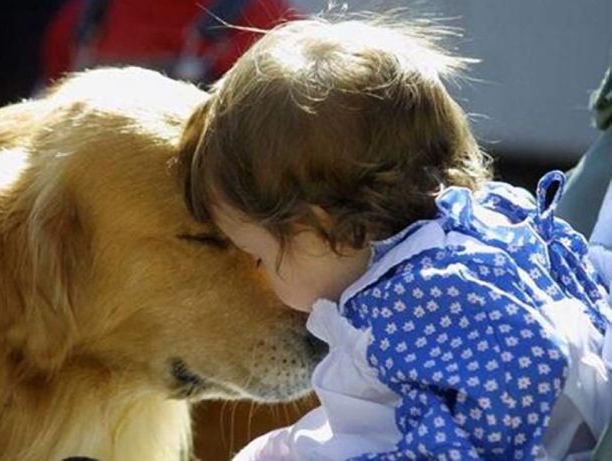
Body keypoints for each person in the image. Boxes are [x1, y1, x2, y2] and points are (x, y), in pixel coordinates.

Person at [178, 17, 612, 460]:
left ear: (329, 229)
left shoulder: (424, 297)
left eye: (260, 257)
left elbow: (525, 367)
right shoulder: (468, 240)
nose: (263, 279)